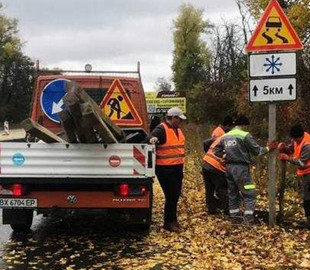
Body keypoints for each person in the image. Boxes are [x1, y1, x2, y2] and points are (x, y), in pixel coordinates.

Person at [215, 115, 277, 223]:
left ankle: (234, 217)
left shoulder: (226, 135)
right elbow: (257, 151)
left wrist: (225, 156)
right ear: (244, 125)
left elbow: (217, 150)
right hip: (241, 169)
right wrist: (268, 148)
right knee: (250, 193)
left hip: (229, 168)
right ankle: (249, 218)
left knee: (233, 193)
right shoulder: (244, 135)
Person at [148, 107, 186, 232]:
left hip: (177, 167)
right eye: (179, 119)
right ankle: (168, 223)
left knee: (175, 195)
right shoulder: (161, 128)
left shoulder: (177, 129)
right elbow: (150, 137)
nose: (181, 121)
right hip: (165, 168)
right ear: (173, 118)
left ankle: (173, 220)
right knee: (171, 195)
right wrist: (153, 139)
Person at [278, 123, 310, 229]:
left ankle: (309, 222)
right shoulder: (298, 139)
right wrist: (285, 148)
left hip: (308, 173)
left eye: (296, 139)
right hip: (305, 173)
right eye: (294, 139)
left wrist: (287, 158)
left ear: (300, 136)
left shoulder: (307, 144)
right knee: (306, 197)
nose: (295, 141)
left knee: (307, 198)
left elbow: (302, 163)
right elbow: (292, 149)